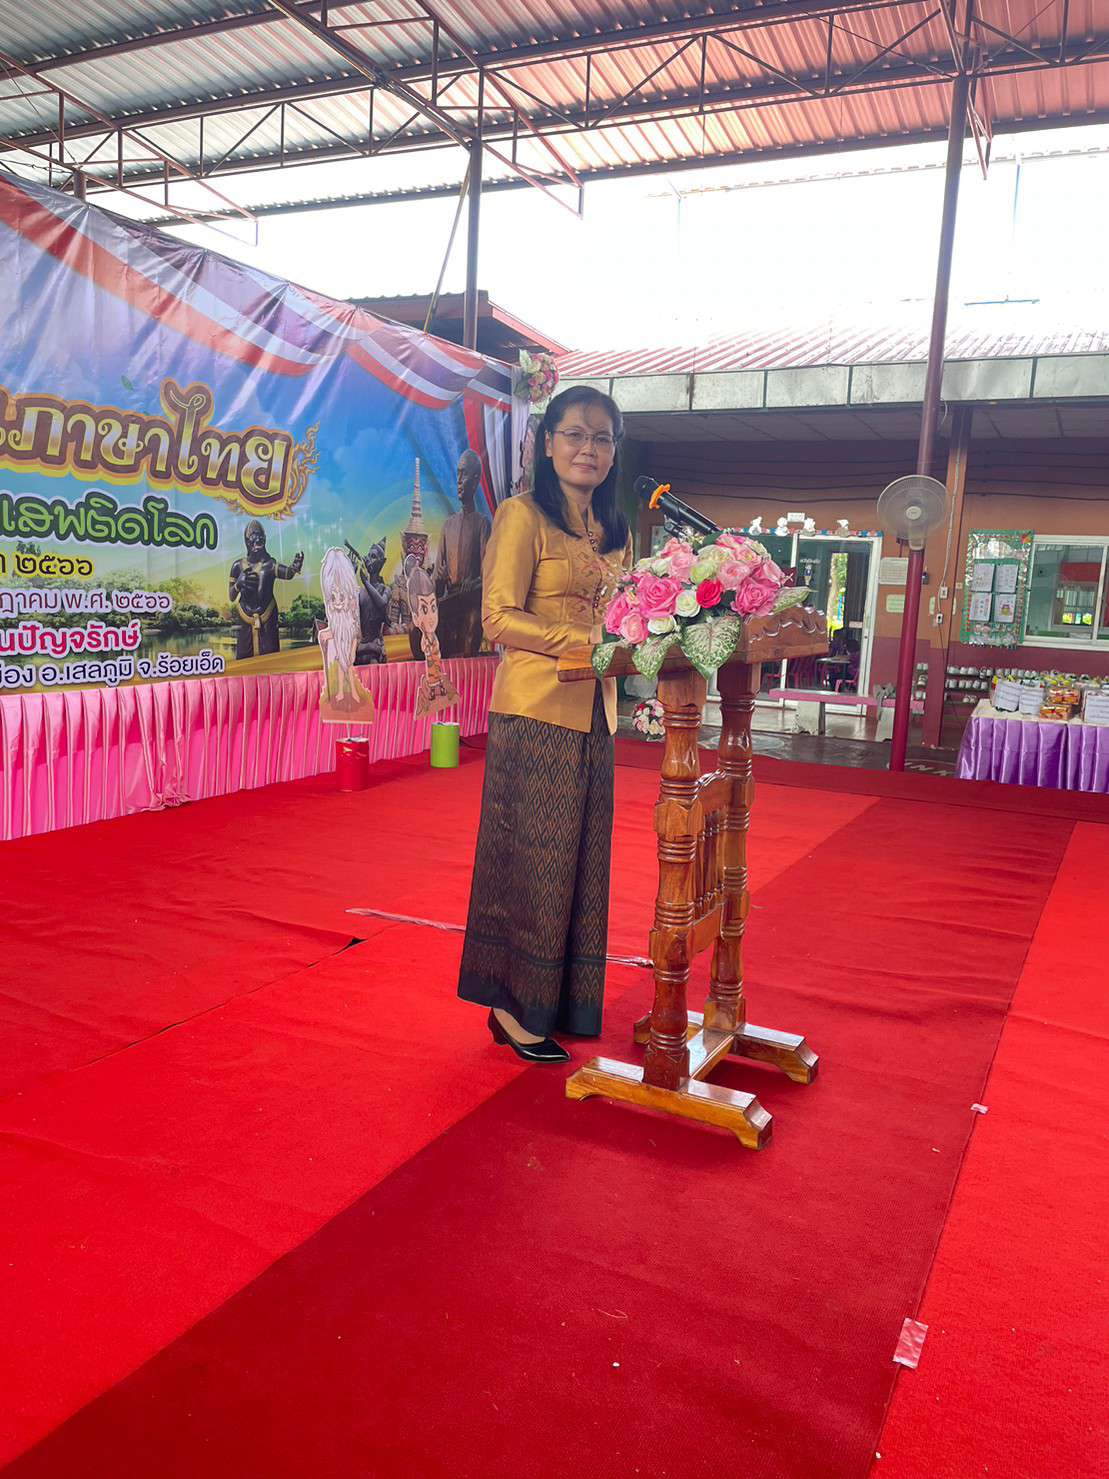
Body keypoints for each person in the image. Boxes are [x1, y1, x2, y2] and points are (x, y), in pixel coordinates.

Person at [457, 386, 631, 1065]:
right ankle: (512, 1005)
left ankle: (559, 1000)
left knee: (580, 863)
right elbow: (497, 618)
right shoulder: (521, 514)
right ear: (547, 442)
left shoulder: (612, 530)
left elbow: (620, 617)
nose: (589, 449)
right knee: (533, 859)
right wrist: (585, 640)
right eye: (576, 434)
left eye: (602, 438)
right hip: (535, 710)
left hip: (596, 712)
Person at [434, 448, 491, 658]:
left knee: (473, 623)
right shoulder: (448, 525)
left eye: (464, 474)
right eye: (457, 474)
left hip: (469, 602)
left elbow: (487, 577)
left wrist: (473, 583)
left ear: (475, 480)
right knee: (422, 629)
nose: (459, 481)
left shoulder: (482, 524)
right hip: (450, 600)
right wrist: (438, 580)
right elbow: (437, 581)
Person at [229, 520, 304, 659]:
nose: (257, 539)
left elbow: (288, 574)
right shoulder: (237, 566)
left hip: (267, 618)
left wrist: (295, 567)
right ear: (247, 541)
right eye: (253, 536)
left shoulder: (270, 565)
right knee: (244, 659)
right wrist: (239, 583)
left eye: (260, 535)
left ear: (264, 539)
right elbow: (232, 596)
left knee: (270, 657)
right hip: (245, 619)